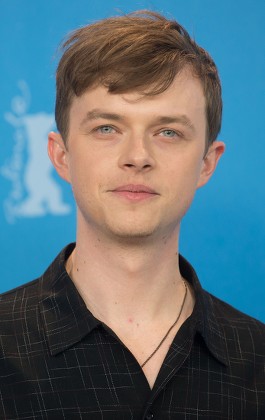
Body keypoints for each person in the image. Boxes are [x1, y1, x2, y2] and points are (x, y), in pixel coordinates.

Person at [0, 10, 264, 420]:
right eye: (107, 128)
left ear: (207, 163)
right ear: (61, 154)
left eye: (168, 132)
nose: (138, 157)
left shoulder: (259, 358)